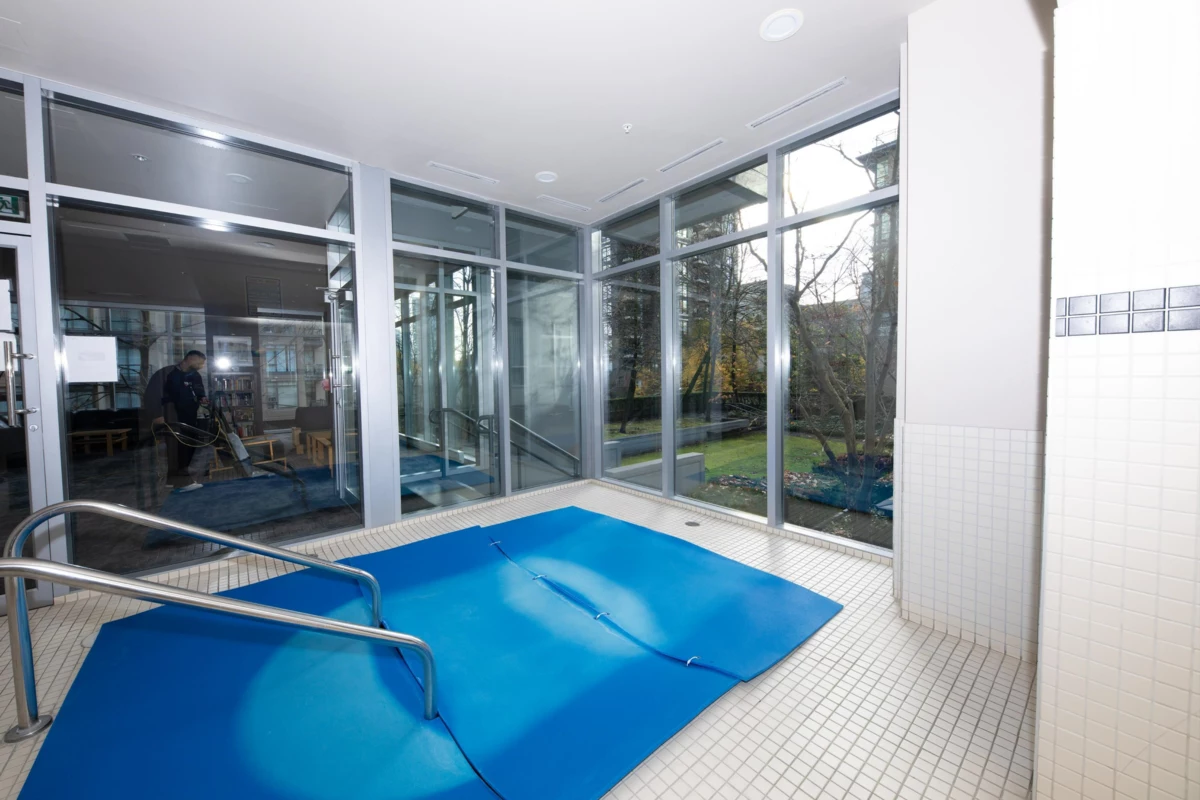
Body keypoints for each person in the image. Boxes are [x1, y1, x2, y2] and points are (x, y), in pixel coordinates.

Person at [146, 350, 209, 491]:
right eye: (200, 362)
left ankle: (176, 480)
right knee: (177, 449)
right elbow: (153, 394)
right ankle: (181, 481)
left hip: (190, 417)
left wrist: (202, 398)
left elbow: (199, 393)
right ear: (190, 358)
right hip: (172, 416)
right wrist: (157, 414)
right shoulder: (167, 373)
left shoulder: (195, 375)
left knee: (189, 446)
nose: (201, 366)